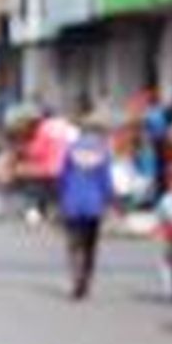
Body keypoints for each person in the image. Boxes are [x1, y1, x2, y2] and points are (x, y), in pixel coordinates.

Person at [55, 112, 115, 299]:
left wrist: (61, 197)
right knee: (90, 244)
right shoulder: (103, 152)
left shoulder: (71, 149)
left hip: (72, 202)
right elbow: (105, 181)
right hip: (94, 204)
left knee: (74, 243)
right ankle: (86, 278)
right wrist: (110, 200)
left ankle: (76, 276)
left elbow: (62, 177)